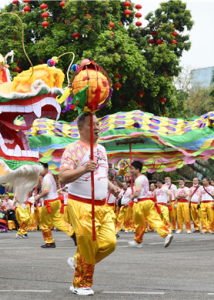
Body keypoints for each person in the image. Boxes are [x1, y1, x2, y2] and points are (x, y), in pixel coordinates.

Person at [59, 113, 120, 296]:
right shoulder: (73, 149)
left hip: (102, 206)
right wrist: (84, 168)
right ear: (80, 128)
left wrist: (112, 187)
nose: (96, 127)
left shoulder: (101, 149)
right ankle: (80, 284)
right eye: (91, 124)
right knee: (87, 245)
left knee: (109, 243)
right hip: (81, 204)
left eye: (98, 124)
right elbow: (62, 177)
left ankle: (79, 262)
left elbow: (102, 175)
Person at [127, 161, 172, 248]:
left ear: (137, 169)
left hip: (141, 203)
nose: (131, 171)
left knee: (139, 223)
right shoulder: (144, 178)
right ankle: (166, 234)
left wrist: (131, 196)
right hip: (149, 202)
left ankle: (138, 241)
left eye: (132, 169)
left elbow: (137, 193)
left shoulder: (138, 180)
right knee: (154, 220)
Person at [37, 163, 75, 249]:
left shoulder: (46, 178)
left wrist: (38, 197)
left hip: (49, 203)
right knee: (58, 220)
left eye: (41, 168)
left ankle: (49, 242)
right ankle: (72, 233)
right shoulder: (49, 176)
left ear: (46, 168)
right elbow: (40, 187)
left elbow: (45, 191)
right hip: (56, 201)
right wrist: (38, 179)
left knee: (44, 224)